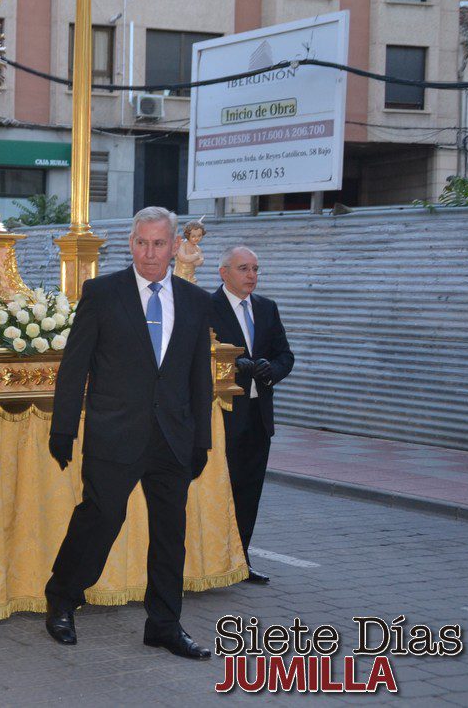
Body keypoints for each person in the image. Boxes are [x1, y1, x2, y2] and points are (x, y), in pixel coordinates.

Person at [44, 206, 214, 660]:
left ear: (175, 246)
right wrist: (63, 429)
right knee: (99, 520)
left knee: (169, 534)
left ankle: (163, 623)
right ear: (131, 243)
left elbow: (200, 377)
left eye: (159, 244)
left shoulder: (196, 302)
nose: (150, 252)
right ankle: (62, 597)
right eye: (142, 242)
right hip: (114, 435)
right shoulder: (102, 293)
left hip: (172, 438)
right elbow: (74, 367)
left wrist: (202, 440)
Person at [209, 246, 294, 585]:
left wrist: (270, 369)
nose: (252, 276)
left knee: (249, 491)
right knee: (218, 491)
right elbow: (197, 353)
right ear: (224, 272)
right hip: (222, 416)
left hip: (258, 417)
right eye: (244, 268)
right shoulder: (207, 308)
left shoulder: (267, 308)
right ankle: (209, 562)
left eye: (256, 269)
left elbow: (285, 354)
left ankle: (240, 561)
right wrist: (232, 365)